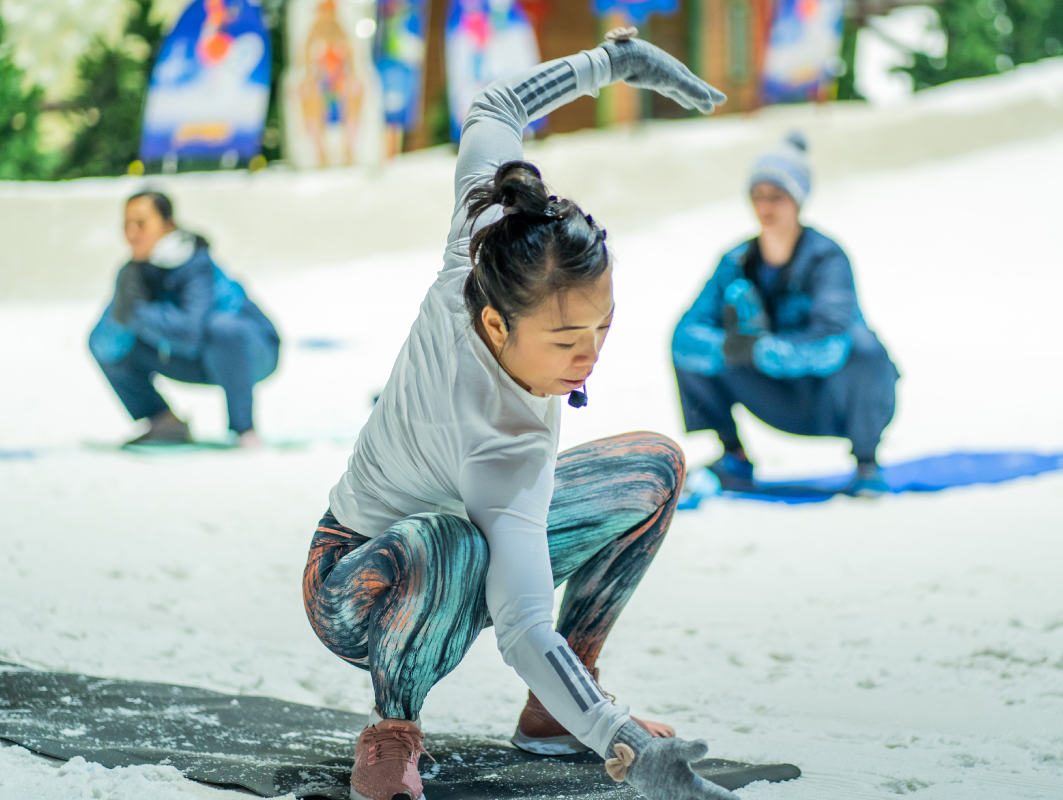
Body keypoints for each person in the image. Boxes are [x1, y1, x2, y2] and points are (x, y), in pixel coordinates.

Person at [303, 28, 740, 800]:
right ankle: (391, 729)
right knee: (447, 542)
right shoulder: (502, 452)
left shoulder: (483, 243)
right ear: (498, 326)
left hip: (465, 541)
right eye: (568, 338)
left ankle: (554, 711)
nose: (590, 354)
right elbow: (522, 628)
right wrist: (624, 739)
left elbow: (495, 107)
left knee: (652, 469)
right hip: (355, 582)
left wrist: (612, 62)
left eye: (603, 326)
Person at [672, 133, 899, 496]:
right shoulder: (736, 260)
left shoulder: (828, 259)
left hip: (830, 396)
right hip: (775, 397)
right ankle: (734, 456)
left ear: (797, 201)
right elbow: (686, 334)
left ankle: (867, 461)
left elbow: (831, 343)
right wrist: (731, 348)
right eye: (757, 196)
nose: (766, 207)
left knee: (867, 352)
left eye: (776, 196)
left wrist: (759, 350)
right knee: (690, 351)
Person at [88, 191, 280, 447]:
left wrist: (137, 313)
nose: (132, 233)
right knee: (114, 347)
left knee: (223, 329)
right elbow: (102, 344)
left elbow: (191, 332)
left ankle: (244, 429)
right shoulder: (133, 273)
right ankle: (164, 422)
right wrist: (123, 309)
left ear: (168, 225)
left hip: (254, 353)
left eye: (141, 223)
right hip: (199, 358)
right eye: (127, 225)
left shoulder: (195, 263)